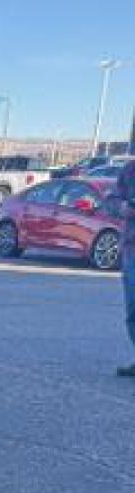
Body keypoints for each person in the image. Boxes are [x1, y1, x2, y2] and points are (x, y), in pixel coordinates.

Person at [119, 159, 135, 377]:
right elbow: (112, 199)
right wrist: (122, 207)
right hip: (132, 252)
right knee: (133, 311)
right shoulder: (130, 170)